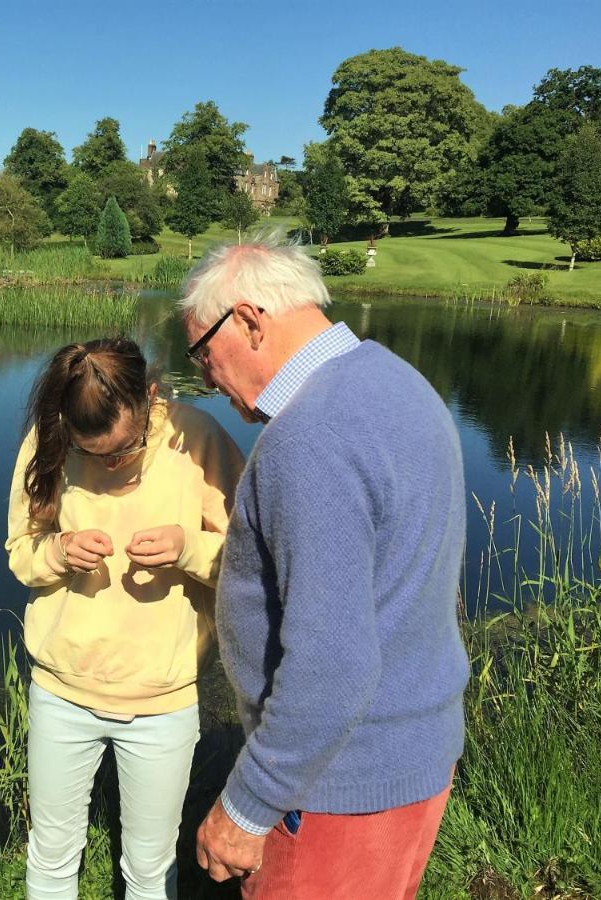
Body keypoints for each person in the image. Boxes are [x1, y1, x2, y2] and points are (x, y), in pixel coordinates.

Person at [182, 237, 469, 899]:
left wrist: (247, 806)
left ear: (250, 321)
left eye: (202, 353)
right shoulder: (397, 382)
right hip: (410, 761)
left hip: (336, 785)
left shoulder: (310, 435)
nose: (203, 380)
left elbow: (332, 662)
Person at [6, 337, 243, 900]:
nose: (110, 464)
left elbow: (251, 563)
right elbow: (21, 552)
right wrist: (58, 553)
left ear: (151, 397)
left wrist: (189, 548)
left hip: (162, 701)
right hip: (60, 691)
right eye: (93, 454)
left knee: (149, 866)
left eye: (124, 449)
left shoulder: (198, 441)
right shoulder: (49, 441)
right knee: (52, 853)